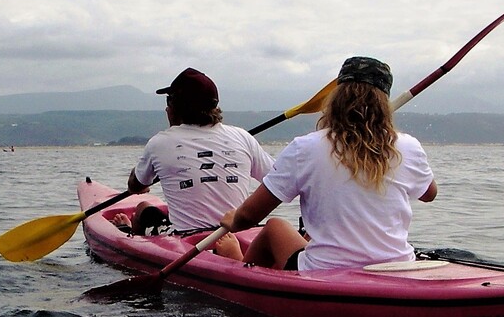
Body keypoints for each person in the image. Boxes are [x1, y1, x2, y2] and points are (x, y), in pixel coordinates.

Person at [220, 56, 438, 270]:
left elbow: (249, 215)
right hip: (397, 265)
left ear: (336, 99)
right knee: (304, 235)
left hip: (323, 270)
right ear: (384, 105)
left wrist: (234, 221)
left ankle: (237, 262)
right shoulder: (408, 146)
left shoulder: (304, 148)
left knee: (274, 227)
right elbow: (429, 194)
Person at [112, 68, 274, 256]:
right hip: (238, 234)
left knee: (143, 209)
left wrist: (142, 180)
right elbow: (276, 179)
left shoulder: (159, 143)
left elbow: (135, 186)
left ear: (175, 107)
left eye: (168, 101)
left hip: (188, 240)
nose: (166, 108)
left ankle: (131, 239)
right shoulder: (242, 137)